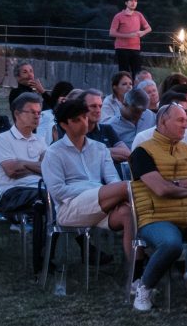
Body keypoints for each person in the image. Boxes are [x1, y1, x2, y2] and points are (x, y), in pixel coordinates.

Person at [129, 104, 187, 312]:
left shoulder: (186, 150)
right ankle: (144, 288)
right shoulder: (142, 152)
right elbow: (161, 189)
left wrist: (177, 184)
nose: (186, 125)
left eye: (186, 120)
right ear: (163, 122)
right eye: (180, 120)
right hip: (156, 218)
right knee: (172, 244)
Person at [43, 95, 135, 268]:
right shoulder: (53, 153)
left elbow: (112, 179)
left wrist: (108, 194)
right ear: (64, 125)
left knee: (127, 214)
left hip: (101, 205)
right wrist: (95, 191)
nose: (84, 122)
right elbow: (58, 192)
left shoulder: (99, 148)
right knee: (128, 188)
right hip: (69, 209)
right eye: (77, 120)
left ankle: (135, 275)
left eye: (85, 117)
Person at [0, 93, 51, 271]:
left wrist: (23, 163)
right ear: (17, 114)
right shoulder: (3, 139)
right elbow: (12, 171)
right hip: (11, 193)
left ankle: (49, 257)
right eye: (32, 112)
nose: (36, 116)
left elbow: (50, 169)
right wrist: (37, 166)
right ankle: (40, 263)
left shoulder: (40, 140)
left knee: (57, 197)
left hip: (37, 190)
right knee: (45, 200)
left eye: (39, 113)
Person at [108, 0, 153, 76]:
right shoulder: (118, 16)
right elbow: (112, 33)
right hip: (122, 48)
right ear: (126, 3)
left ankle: (136, 88)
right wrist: (128, 35)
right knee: (124, 73)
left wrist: (143, 33)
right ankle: (125, 88)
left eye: (135, 1)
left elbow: (149, 28)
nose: (133, 3)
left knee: (137, 73)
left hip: (135, 48)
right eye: (131, 0)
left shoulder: (139, 15)